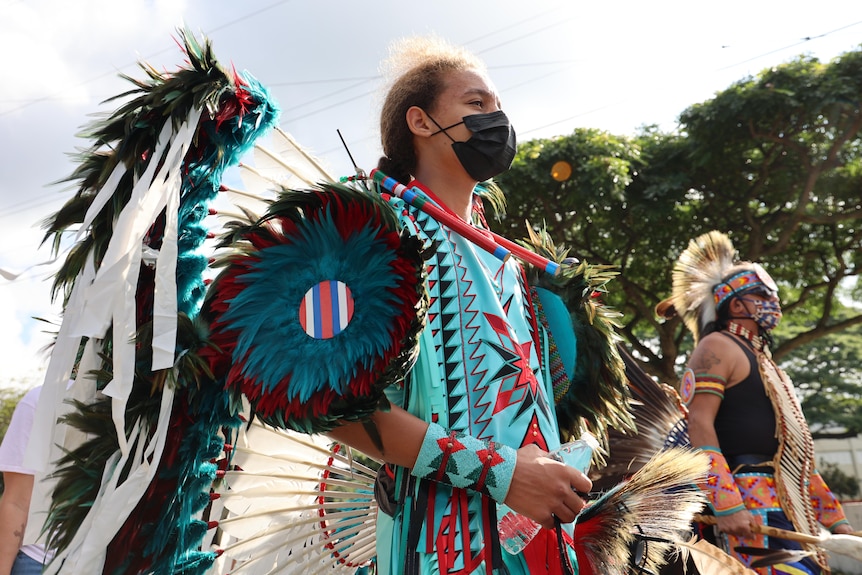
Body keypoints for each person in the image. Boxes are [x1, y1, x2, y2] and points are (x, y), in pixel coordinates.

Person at [325, 37, 593, 574]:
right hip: (440, 542)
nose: (497, 119)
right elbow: (329, 403)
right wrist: (500, 473)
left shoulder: (513, 264)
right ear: (421, 122)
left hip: (539, 544)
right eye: (477, 104)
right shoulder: (373, 235)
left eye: (499, 107)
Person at [656, 231, 852, 575]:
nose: (774, 302)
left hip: (790, 500)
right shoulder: (717, 346)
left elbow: (795, 455)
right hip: (748, 498)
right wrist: (727, 503)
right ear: (736, 304)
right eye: (764, 294)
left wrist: (837, 523)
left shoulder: (769, 365)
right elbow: (698, 423)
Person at [0, 386, 48, 575]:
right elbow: (18, 502)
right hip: (39, 561)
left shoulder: (142, 406)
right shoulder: (41, 402)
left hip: (125, 560)